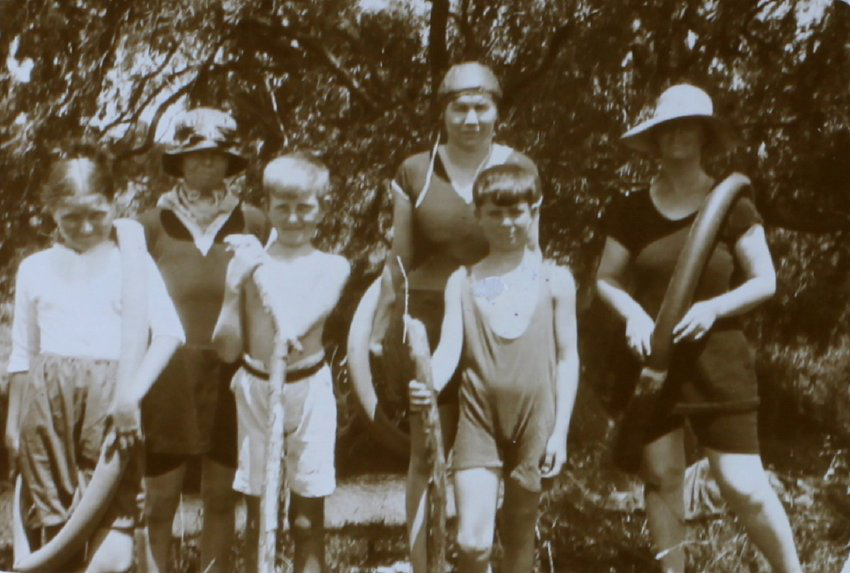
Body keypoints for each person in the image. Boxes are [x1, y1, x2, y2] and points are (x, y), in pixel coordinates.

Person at [595, 84, 802, 572]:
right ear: (657, 139)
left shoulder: (730, 204)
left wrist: (713, 309)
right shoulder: (629, 208)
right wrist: (634, 315)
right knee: (662, 477)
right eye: (668, 128)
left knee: (742, 484)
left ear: (706, 135)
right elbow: (605, 279)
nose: (678, 136)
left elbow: (765, 281)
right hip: (651, 363)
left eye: (688, 126)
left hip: (718, 361)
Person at [368, 61, 540, 573]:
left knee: (508, 464)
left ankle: (494, 559)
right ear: (442, 113)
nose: (470, 118)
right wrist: (382, 326)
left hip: (498, 325)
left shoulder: (520, 167)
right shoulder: (415, 171)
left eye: (480, 106)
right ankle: (424, 565)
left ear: (497, 111)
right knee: (426, 454)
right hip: (431, 323)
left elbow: (534, 254)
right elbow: (398, 259)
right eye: (458, 107)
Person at [6, 149, 185, 572]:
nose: (85, 228)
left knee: (112, 554)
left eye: (96, 214)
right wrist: (14, 422)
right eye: (70, 217)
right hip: (47, 412)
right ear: (51, 211)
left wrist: (129, 397)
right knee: (53, 537)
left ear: (114, 202)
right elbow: (23, 353)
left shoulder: (132, 263)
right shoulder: (34, 268)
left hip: (111, 413)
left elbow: (169, 334)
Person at [409, 163, 578, 573]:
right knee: (473, 544)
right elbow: (450, 348)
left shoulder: (554, 280)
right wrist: (427, 382)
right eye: (495, 213)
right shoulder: (463, 281)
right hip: (478, 417)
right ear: (478, 216)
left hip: (535, 422)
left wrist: (560, 432)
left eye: (517, 211)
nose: (507, 222)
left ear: (534, 211)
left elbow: (567, 357)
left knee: (519, 537)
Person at [138, 107, 270, 573]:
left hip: (232, 375)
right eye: (195, 156)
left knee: (219, 498)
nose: (206, 165)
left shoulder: (253, 221)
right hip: (166, 374)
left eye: (216, 157)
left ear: (230, 163)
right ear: (179, 161)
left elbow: (267, 303)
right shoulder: (150, 225)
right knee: (159, 501)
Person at [212, 152, 350, 573]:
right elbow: (225, 349)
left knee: (306, 518)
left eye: (304, 207)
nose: (293, 217)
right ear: (267, 207)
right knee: (259, 517)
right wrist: (235, 286)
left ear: (322, 209)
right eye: (282, 207)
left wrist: (285, 324)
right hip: (256, 388)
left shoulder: (332, 266)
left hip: (308, 390)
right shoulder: (250, 266)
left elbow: (305, 321)